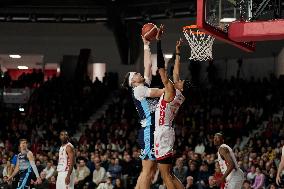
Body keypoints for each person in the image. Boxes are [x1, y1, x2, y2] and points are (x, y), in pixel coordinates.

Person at [122, 26, 164, 189]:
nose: (138, 74)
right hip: (148, 130)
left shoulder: (139, 87)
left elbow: (147, 66)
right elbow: (159, 92)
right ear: (133, 82)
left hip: (149, 130)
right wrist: (172, 88)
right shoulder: (139, 89)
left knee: (149, 170)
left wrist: (146, 45)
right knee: (148, 170)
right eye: (135, 75)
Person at [154, 33, 187, 189]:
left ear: (181, 87)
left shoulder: (170, 91)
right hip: (166, 131)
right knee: (170, 174)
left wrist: (159, 42)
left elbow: (162, 69)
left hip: (163, 133)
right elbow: (176, 72)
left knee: (165, 175)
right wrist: (178, 53)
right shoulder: (178, 94)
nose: (179, 79)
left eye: (181, 81)